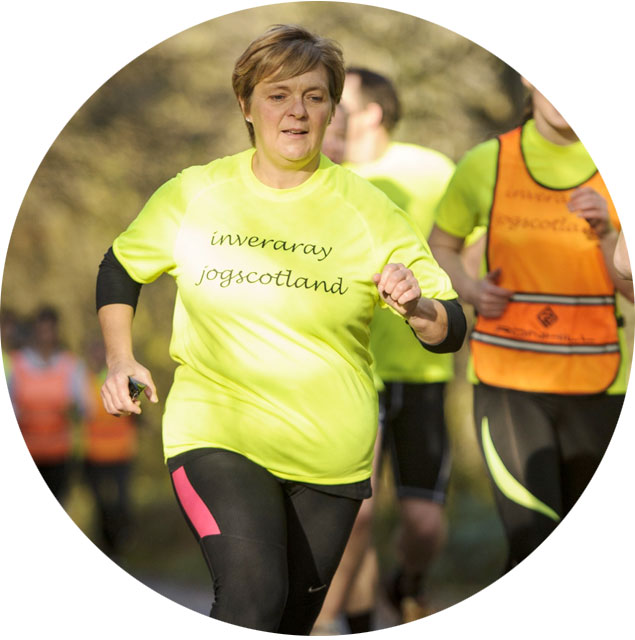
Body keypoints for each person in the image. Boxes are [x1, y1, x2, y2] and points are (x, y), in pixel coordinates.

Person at [95, 24, 466, 635]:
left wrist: (419, 306)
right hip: (215, 429)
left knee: (289, 620)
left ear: (331, 109)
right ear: (246, 105)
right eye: (278, 94)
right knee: (252, 599)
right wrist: (118, 358)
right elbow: (120, 265)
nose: (297, 111)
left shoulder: (369, 209)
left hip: (332, 456)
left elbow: (450, 325)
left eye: (315, 97)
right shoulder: (195, 192)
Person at [429, 78, 633, 572]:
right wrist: (472, 290)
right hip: (507, 384)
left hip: (601, 385)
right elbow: (441, 246)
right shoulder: (487, 162)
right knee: (532, 543)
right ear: (526, 77)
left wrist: (610, 232)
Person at [314, 67, 457, 634]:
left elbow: (459, 245)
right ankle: (331, 623)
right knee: (359, 512)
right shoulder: (327, 172)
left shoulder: (431, 170)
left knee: (423, 525)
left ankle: (406, 587)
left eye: (337, 98)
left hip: (423, 368)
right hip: (355, 368)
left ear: (371, 110)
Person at [7, 305, 93, 503]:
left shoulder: (71, 365)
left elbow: (85, 409)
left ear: (56, 331)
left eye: (49, 330)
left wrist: (72, 411)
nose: (45, 336)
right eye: (41, 330)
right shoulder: (16, 363)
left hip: (59, 455)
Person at [82, 337, 138, 559]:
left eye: (100, 353)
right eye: (93, 353)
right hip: (93, 453)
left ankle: (121, 545)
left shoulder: (123, 378)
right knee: (100, 506)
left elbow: (137, 407)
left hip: (122, 452)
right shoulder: (81, 379)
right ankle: (106, 549)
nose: (96, 357)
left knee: (122, 503)